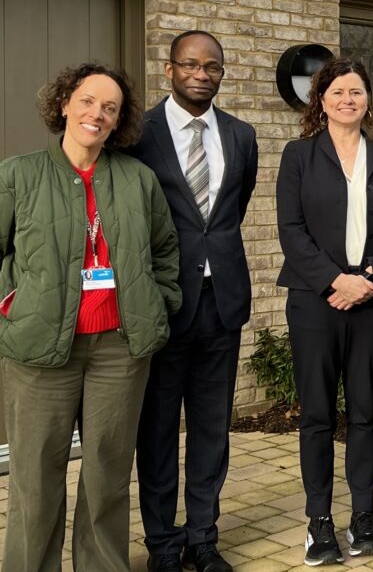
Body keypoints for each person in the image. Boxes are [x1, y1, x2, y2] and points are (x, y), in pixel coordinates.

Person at [0, 63, 181, 572]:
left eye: (110, 108)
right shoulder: (16, 175)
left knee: (107, 477)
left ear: (119, 121)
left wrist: (158, 303)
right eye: (87, 101)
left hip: (119, 352)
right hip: (39, 351)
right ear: (63, 104)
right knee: (35, 479)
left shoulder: (137, 179)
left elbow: (165, 250)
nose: (97, 114)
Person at [130, 31, 259, 572]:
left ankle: (203, 539)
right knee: (157, 430)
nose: (201, 73)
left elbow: (233, 207)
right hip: (163, 300)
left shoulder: (241, 134)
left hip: (221, 301)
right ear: (169, 70)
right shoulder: (140, 133)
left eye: (212, 66)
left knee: (211, 430)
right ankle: (163, 544)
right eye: (190, 64)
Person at [276, 56, 373, 566]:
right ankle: (318, 523)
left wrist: (368, 280)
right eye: (337, 93)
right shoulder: (298, 156)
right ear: (322, 101)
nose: (347, 100)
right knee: (315, 414)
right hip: (316, 300)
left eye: (356, 92)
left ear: (368, 100)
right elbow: (291, 230)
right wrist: (336, 281)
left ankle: (361, 518)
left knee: (365, 412)